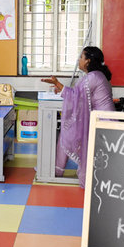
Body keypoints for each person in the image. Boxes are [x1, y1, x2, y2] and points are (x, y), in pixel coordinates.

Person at [41, 46, 115, 188]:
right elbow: (78, 96)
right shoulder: (96, 75)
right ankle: (57, 169)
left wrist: (58, 84)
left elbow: (75, 97)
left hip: (103, 124)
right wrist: (62, 89)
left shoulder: (92, 77)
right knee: (67, 130)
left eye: (81, 57)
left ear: (88, 61)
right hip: (101, 119)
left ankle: (57, 170)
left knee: (67, 131)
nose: (79, 60)